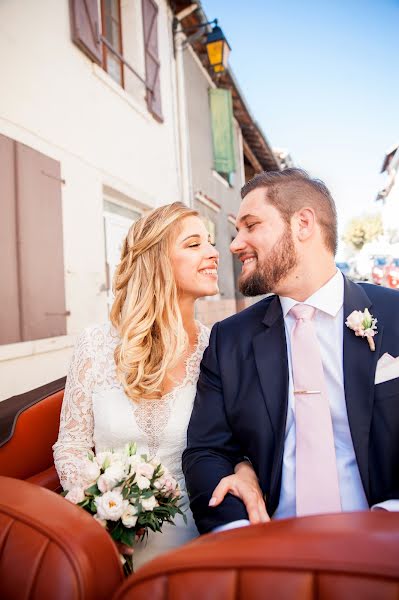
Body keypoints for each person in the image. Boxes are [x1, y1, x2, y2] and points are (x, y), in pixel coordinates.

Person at [183, 168, 399, 534]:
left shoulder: (395, 315)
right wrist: (238, 533)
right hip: (272, 553)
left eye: (250, 225)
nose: (234, 244)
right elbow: (207, 452)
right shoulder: (229, 339)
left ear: (303, 223)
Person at [53, 202, 263, 570]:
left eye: (211, 242)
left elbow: (243, 443)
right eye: (194, 244)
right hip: (109, 543)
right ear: (157, 260)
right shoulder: (95, 346)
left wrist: (245, 472)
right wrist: (98, 512)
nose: (215, 253)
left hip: (198, 539)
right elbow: (71, 445)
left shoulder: (220, 350)